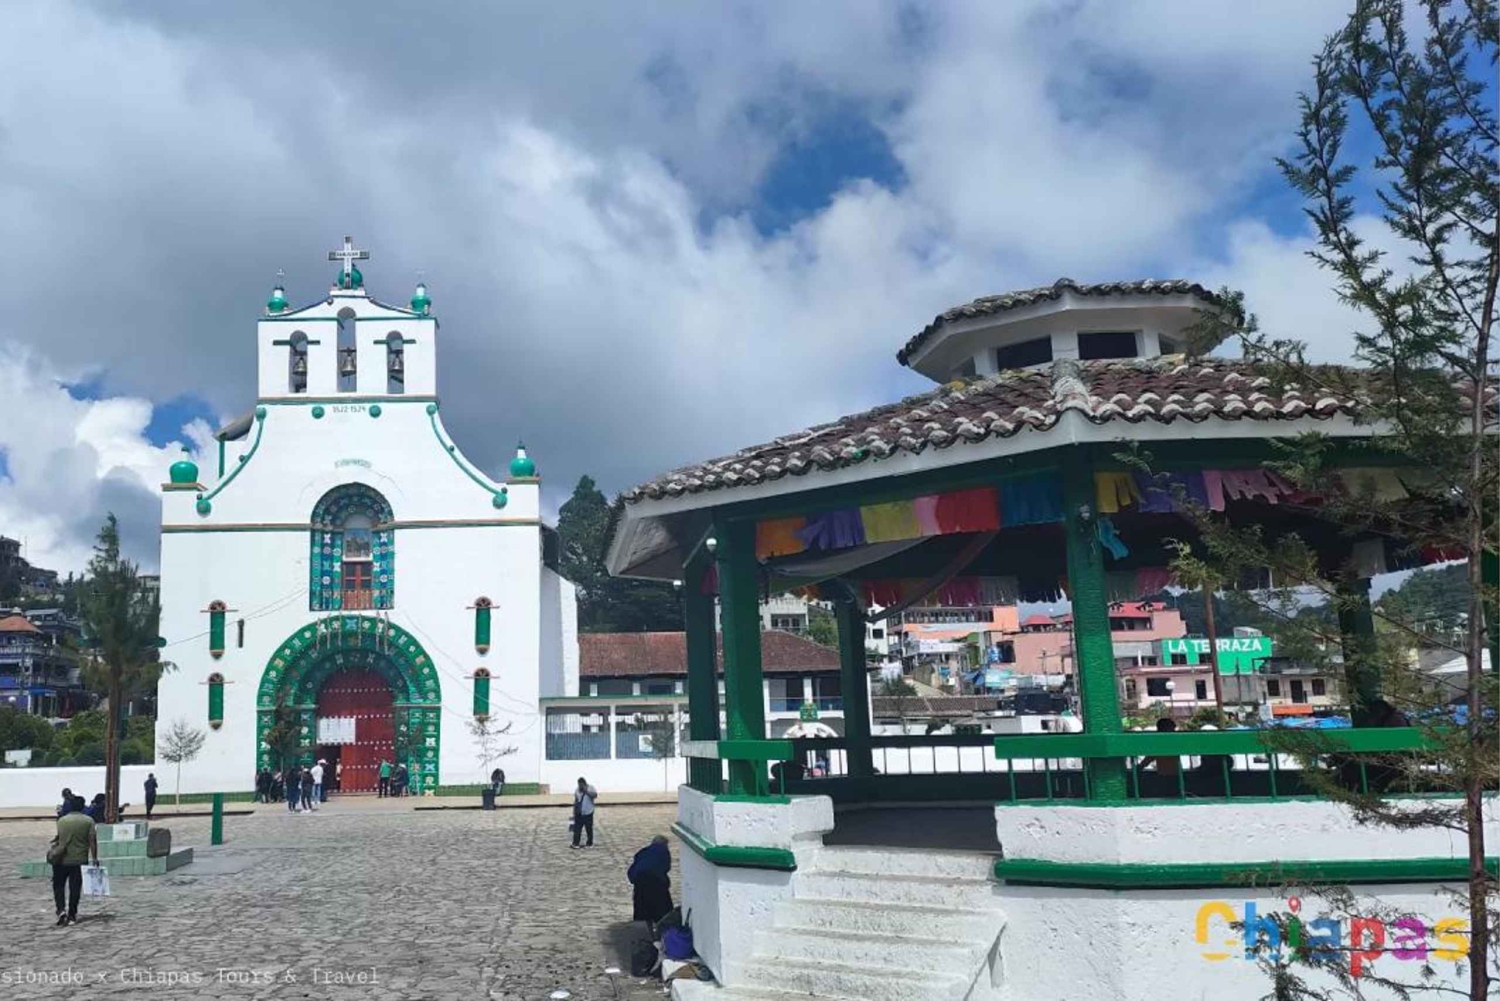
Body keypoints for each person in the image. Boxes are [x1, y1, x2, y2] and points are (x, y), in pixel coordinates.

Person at [50, 795, 98, 926]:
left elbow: (60, 838)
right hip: (79, 859)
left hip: (61, 859)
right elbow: (92, 841)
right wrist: (94, 858)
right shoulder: (88, 821)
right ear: (83, 806)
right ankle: (72, 914)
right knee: (75, 888)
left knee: (58, 885)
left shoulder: (62, 820)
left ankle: (60, 910)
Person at [627, 835, 673, 926]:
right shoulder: (664, 851)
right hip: (655, 880)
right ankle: (661, 924)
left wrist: (634, 880)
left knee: (641, 905)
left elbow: (633, 869)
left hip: (640, 880)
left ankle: (642, 926)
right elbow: (666, 868)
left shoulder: (643, 851)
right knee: (661, 906)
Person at [571, 777, 597, 849]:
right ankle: (576, 843)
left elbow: (595, 796)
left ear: (584, 783)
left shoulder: (591, 788)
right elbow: (576, 800)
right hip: (579, 813)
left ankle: (589, 843)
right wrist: (574, 811)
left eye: (581, 784)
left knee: (589, 828)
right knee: (577, 829)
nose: (580, 786)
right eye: (579, 784)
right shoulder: (577, 790)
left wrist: (586, 791)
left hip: (588, 812)